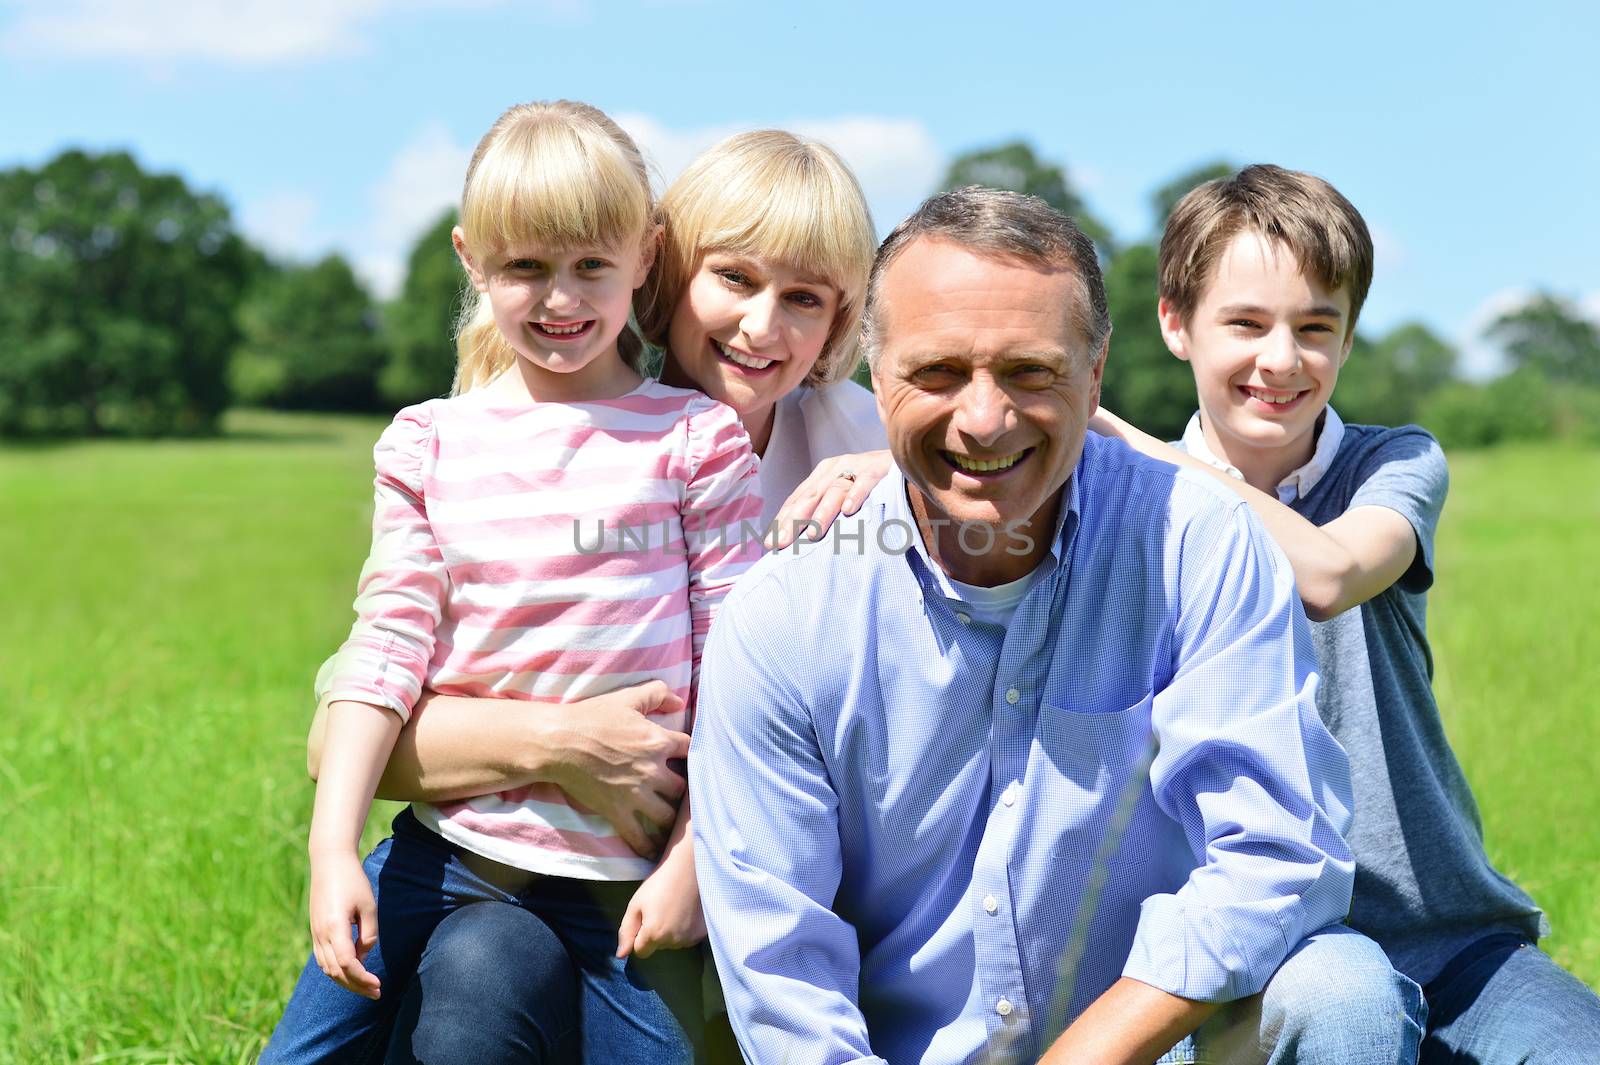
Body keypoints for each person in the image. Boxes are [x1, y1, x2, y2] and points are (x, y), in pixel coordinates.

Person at [688, 186, 1425, 1065]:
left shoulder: (1203, 544)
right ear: (875, 377)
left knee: (1340, 990)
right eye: (938, 373)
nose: (985, 418)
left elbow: (1275, 855)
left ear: (1096, 369)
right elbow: (784, 976)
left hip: (1159, 1046)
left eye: (1031, 372)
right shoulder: (782, 617)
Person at [294, 129, 885, 1061]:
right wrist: (571, 744)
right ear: (666, 270)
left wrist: (894, 470)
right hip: (524, 861)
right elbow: (352, 718)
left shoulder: (854, 432)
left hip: (775, 872)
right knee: (477, 971)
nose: (762, 326)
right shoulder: (508, 438)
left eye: (804, 297)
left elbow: (1036, 426)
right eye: (732, 279)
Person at [1090, 163, 1600, 1063]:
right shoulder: (1129, 510)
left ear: (1349, 338)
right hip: (1270, 953)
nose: (1281, 359)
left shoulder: (1393, 463)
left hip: (1452, 942)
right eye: (1245, 323)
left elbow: (1328, 573)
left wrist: (1121, 436)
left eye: (1315, 328)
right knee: (1349, 1005)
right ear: (1175, 323)